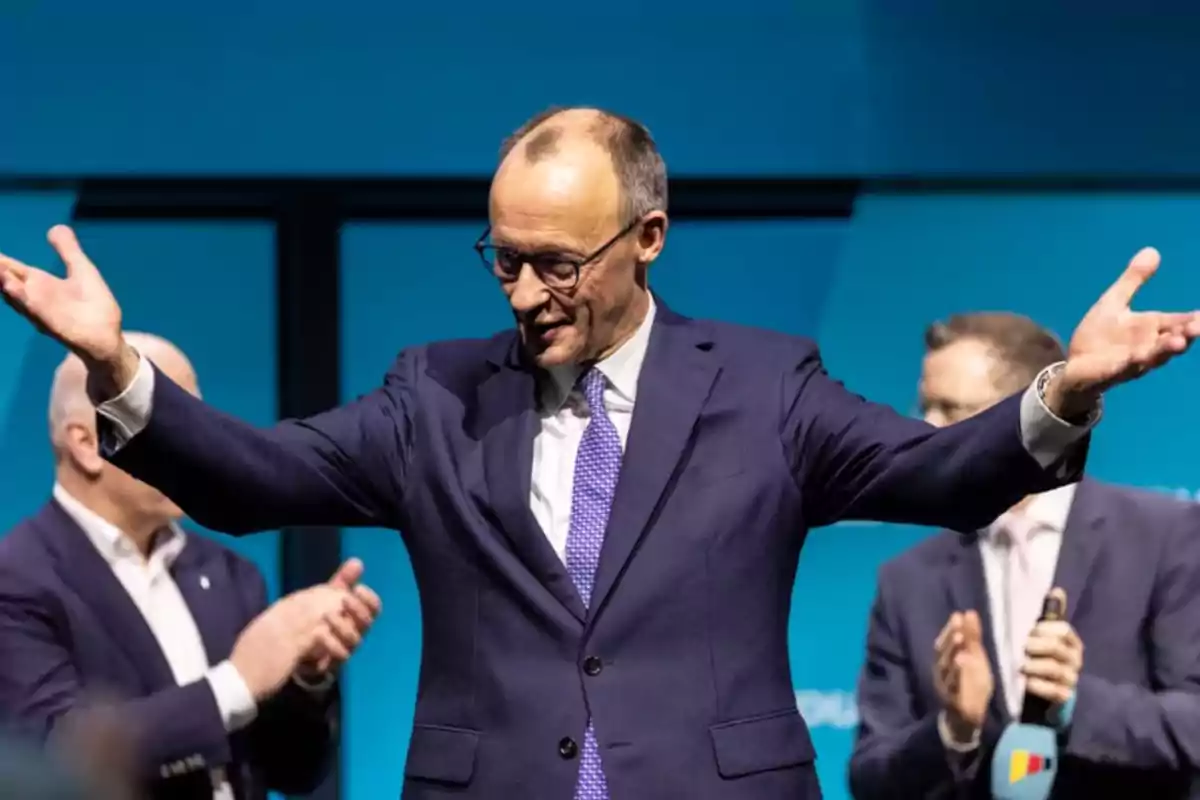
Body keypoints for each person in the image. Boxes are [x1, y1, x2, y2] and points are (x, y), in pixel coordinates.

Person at [0, 107, 1196, 800]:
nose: (524, 291)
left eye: (557, 262)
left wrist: (1064, 390)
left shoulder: (767, 385)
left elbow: (944, 473)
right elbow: (257, 479)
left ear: (650, 238)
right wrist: (118, 372)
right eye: (504, 257)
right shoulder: (434, 394)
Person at [0, 333, 382, 800]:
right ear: (85, 444)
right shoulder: (16, 577)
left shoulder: (230, 572)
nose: (192, 449)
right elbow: (57, 759)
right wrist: (237, 682)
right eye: (162, 427)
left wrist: (304, 677)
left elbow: (292, 773)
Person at [849, 312, 1200, 799]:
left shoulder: (1165, 535)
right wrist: (952, 730)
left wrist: (1076, 704)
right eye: (924, 408)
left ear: (1025, 413)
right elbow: (869, 778)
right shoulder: (907, 580)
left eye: (950, 410)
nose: (927, 432)